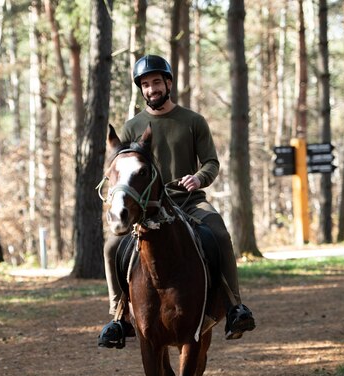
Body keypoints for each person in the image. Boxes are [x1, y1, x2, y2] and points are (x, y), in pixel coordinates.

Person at [98, 54, 256, 348]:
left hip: (189, 201)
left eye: (156, 82)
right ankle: (118, 316)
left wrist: (198, 178)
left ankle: (235, 306)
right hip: (148, 207)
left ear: (168, 83)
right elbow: (124, 170)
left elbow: (211, 162)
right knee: (110, 246)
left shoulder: (193, 121)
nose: (151, 89)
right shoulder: (133, 127)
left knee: (219, 233)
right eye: (145, 84)